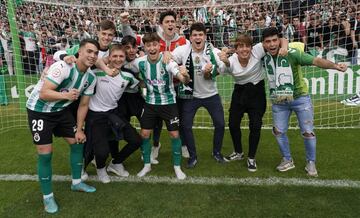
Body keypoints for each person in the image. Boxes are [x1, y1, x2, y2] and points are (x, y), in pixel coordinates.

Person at [26, 38, 100, 214]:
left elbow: (83, 105)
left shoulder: (91, 78)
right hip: (39, 111)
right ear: (79, 52)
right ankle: (48, 197)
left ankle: (77, 183)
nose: (92, 55)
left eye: (95, 53)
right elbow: (44, 93)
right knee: (45, 154)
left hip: (61, 112)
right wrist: (65, 97)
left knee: (77, 141)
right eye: (89, 51)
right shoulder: (63, 67)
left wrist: (80, 129)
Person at [261, 27, 347, 177]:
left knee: (308, 132)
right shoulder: (262, 54)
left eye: (275, 40)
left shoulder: (292, 53)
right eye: (268, 41)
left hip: (300, 98)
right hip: (279, 101)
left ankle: (311, 162)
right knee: (278, 131)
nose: (272, 44)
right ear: (263, 44)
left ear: (279, 41)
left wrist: (335, 66)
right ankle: (287, 159)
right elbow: (245, 48)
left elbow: (315, 60)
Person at [121, 10, 190, 161]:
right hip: (155, 89)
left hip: (176, 86)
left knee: (180, 118)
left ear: (176, 24)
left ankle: (183, 145)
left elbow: (189, 56)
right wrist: (125, 24)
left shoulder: (184, 41)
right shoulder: (155, 39)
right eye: (167, 22)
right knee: (156, 120)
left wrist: (173, 59)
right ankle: (155, 145)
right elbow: (132, 40)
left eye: (173, 21)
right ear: (161, 24)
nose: (170, 24)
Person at [218, 34, 288, 171]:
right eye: (241, 46)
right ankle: (238, 152)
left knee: (255, 126)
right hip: (239, 92)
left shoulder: (257, 50)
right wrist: (225, 61)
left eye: (247, 46)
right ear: (236, 49)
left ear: (251, 47)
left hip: (257, 92)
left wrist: (284, 47)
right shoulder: (230, 61)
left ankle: (251, 158)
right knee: (233, 123)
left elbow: (281, 39)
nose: (244, 49)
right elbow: (224, 67)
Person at [133, 32, 190, 179]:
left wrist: (185, 75)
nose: (152, 48)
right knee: (144, 134)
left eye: (154, 45)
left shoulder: (168, 62)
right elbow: (124, 65)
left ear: (159, 46)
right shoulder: (140, 62)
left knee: (174, 134)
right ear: (144, 47)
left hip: (169, 103)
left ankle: (177, 167)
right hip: (150, 104)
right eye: (148, 45)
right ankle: (147, 165)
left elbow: (182, 79)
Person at [171, 22, 226, 168]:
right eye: (194, 35)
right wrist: (177, 69)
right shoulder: (183, 50)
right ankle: (192, 156)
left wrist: (214, 69)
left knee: (220, 124)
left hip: (211, 95)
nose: (197, 37)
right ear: (190, 37)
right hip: (191, 96)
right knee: (185, 126)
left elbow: (224, 67)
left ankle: (217, 152)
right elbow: (169, 59)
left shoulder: (212, 51)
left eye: (200, 35)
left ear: (205, 37)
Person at [85, 44, 142, 183]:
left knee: (136, 140)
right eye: (114, 56)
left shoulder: (128, 76)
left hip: (113, 114)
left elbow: (140, 84)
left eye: (121, 56)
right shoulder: (95, 72)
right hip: (96, 116)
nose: (118, 59)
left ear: (125, 58)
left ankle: (116, 163)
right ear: (108, 57)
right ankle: (100, 169)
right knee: (102, 151)